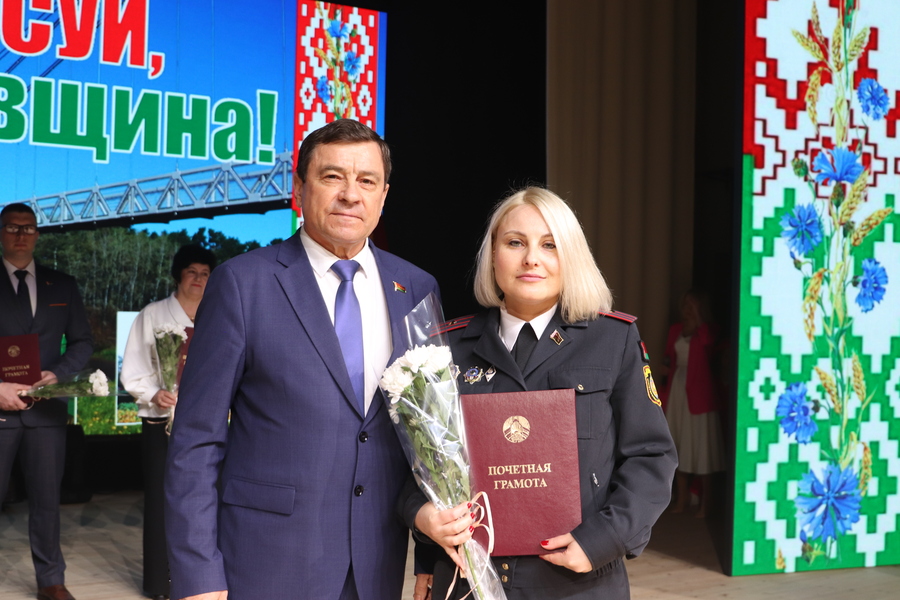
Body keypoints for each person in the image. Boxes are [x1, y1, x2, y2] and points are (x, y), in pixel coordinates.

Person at [164, 119, 440, 600]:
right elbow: (196, 441)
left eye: (367, 181)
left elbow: (431, 439)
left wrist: (430, 558)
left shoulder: (416, 288)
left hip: (377, 563)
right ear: (299, 188)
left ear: (383, 196)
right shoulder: (242, 284)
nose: (350, 194)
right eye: (333, 176)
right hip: (268, 562)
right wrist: (199, 577)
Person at [404, 187, 677, 599]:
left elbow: (651, 456)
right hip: (470, 581)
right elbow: (417, 469)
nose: (531, 258)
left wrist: (603, 540)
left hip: (577, 583)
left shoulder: (612, 340)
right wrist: (423, 523)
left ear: (571, 256)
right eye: (515, 243)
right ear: (492, 255)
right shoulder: (445, 349)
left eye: (549, 245)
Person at [0, 203, 93, 600]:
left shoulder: (63, 285)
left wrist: (58, 374)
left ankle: (51, 581)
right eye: (12, 227)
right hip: (0, 410)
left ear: (38, 234)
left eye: (28, 228)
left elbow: (83, 342)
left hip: (47, 412)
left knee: (47, 502)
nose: (21, 234)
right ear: (1, 233)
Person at [121, 244, 217, 600]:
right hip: (161, 423)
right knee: (162, 505)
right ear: (179, 275)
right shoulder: (154, 314)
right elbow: (133, 368)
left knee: (208, 502)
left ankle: (204, 582)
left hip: (210, 425)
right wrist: (153, 393)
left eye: (205, 273)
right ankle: (161, 584)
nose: (198, 279)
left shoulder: (217, 313)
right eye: (192, 272)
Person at [659, 289, 725, 517]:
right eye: (685, 304)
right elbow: (668, 357)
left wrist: (698, 318)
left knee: (701, 447)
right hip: (678, 390)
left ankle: (706, 503)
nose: (687, 309)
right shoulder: (676, 330)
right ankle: (682, 498)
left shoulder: (708, 330)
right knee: (678, 444)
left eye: (692, 304)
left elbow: (708, 344)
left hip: (700, 394)